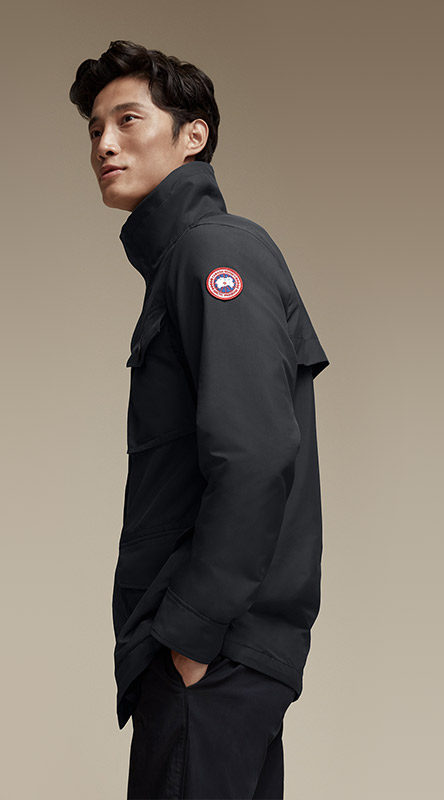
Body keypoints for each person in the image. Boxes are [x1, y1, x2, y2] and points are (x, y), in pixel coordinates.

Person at [69, 40, 330, 799]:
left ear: (194, 135)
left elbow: (254, 453)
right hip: (223, 654)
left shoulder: (214, 252)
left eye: (128, 120)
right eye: (94, 129)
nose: (105, 143)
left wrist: (190, 632)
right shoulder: (183, 260)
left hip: (213, 655)